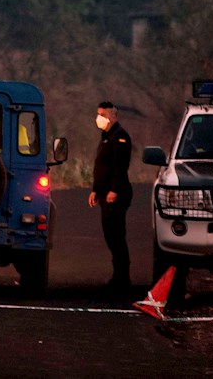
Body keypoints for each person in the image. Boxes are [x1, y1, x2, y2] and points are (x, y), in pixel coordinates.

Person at [88, 100, 133, 293]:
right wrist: (95, 190)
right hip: (104, 192)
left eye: (103, 115)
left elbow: (119, 167)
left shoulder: (120, 137)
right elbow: (101, 167)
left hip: (116, 193)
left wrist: (114, 190)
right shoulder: (106, 136)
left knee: (116, 236)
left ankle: (122, 279)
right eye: (98, 114)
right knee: (110, 235)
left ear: (113, 116)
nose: (100, 118)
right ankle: (118, 277)